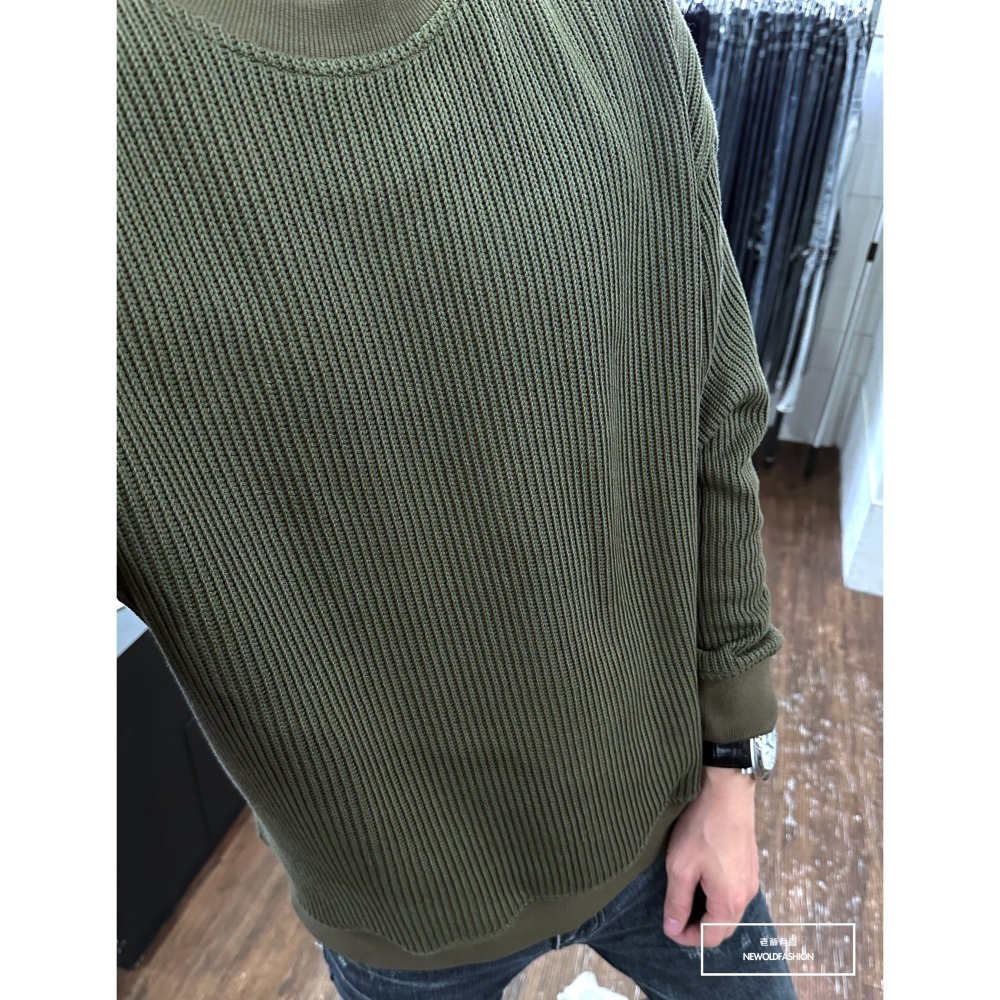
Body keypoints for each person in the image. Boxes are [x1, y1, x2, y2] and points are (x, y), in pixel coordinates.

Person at [117, 1, 798, 997]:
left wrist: (734, 759)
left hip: (668, 805)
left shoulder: (615, 24)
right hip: (398, 903)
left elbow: (714, 411)